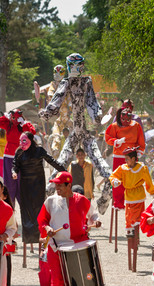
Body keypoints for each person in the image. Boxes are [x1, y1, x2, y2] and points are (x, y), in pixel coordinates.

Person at [39, 53, 112, 215]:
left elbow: (92, 102)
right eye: (71, 65)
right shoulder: (66, 82)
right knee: (58, 168)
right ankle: (44, 210)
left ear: (82, 66)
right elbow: (57, 100)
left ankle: (103, 202)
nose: (74, 68)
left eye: (77, 65)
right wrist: (47, 112)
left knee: (109, 175)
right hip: (74, 134)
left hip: (83, 133)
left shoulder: (87, 81)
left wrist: (97, 117)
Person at [37, 171, 98, 286]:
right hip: (56, 247)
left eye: (60, 185)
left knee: (74, 280)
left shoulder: (82, 201)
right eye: (56, 185)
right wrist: (48, 228)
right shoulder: (50, 201)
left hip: (76, 247)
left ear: (69, 185)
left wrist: (96, 222)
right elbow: (42, 220)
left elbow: (94, 216)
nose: (57, 188)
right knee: (57, 280)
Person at [12, 131, 65, 245]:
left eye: (24, 140)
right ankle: (29, 238)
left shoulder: (39, 150)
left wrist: (64, 170)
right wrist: (14, 172)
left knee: (39, 208)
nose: (22, 143)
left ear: (31, 140)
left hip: (38, 183)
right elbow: (15, 165)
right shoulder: (19, 152)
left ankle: (40, 235)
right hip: (25, 184)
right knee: (26, 210)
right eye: (20, 141)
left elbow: (52, 161)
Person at [110, 147, 154, 272]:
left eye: (127, 159)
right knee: (128, 218)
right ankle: (131, 235)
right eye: (125, 159)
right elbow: (114, 175)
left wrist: (152, 190)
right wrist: (114, 181)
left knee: (137, 218)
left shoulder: (142, 168)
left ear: (133, 159)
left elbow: (148, 181)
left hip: (138, 196)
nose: (126, 161)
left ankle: (135, 234)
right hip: (128, 196)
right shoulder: (123, 168)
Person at [105, 100, 145, 210]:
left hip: (132, 154)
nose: (126, 121)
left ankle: (132, 201)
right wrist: (116, 141)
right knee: (118, 179)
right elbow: (108, 137)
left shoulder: (136, 124)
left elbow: (141, 138)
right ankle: (118, 201)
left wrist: (140, 150)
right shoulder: (115, 124)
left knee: (133, 178)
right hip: (118, 154)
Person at [0, 109, 36, 207]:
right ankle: (9, 207)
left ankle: (25, 211)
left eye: (18, 117)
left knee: (22, 183)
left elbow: (32, 133)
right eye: (13, 117)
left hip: (22, 156)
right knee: (9, 183)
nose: (15, 120)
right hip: (8, 156)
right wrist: (5, 117)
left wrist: (24, 123)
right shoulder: (8, 125)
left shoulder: (24, 125)